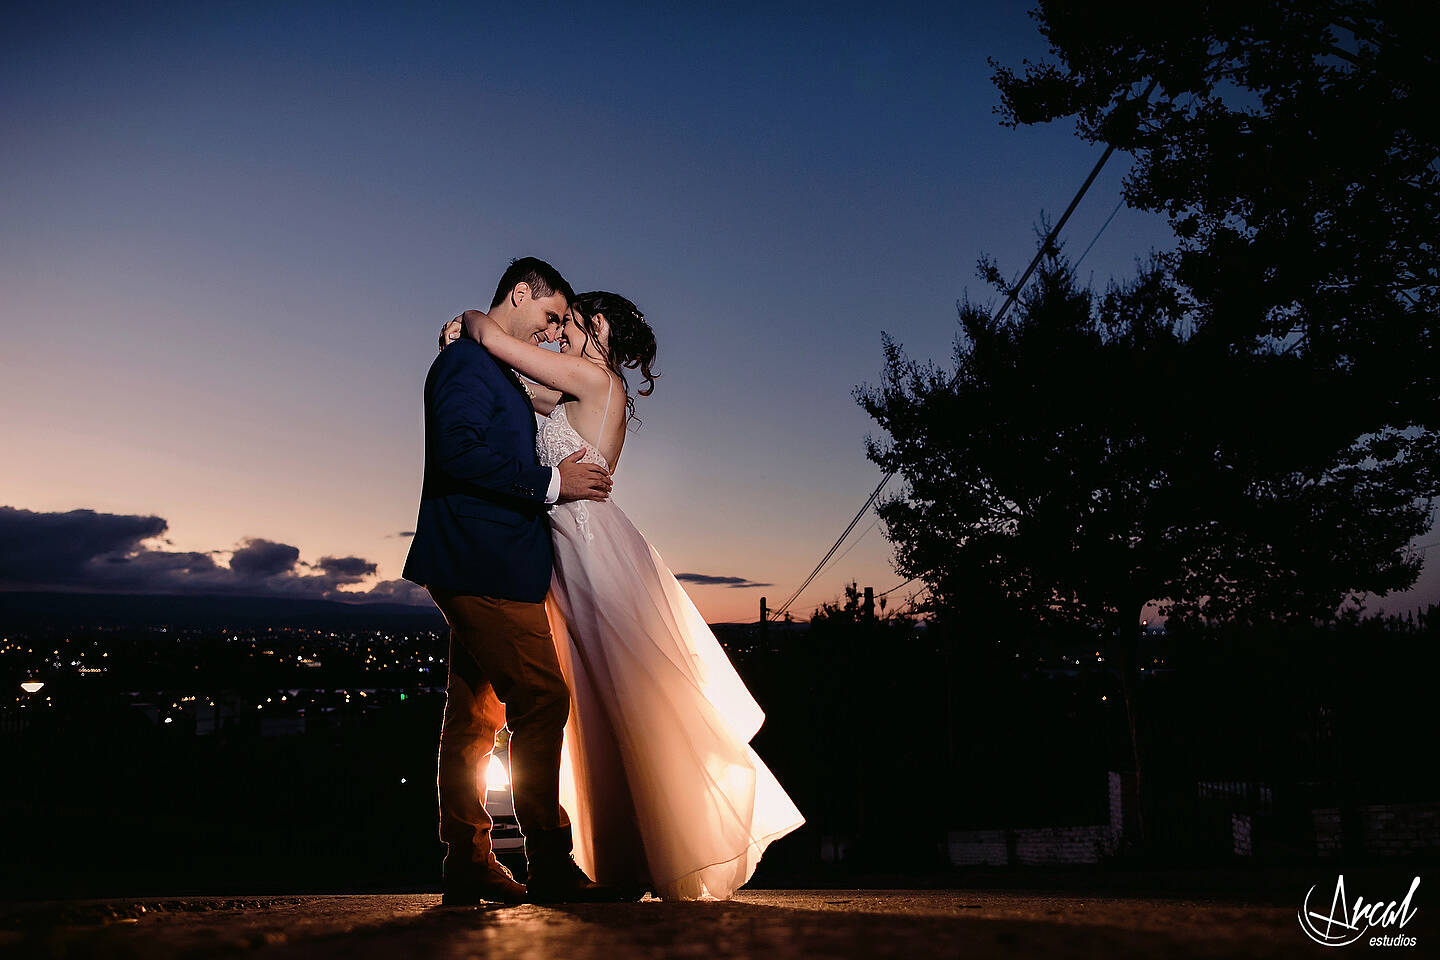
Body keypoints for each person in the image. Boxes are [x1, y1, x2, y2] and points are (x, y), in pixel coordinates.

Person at [440, 291, 804, 900]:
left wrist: (472, 323)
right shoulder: (574, 384)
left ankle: (622, 855)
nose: (559, 331)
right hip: (566, 549)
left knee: (612, 697)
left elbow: (497, 344)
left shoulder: (593, 377)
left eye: (570, 320)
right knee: (599, 703)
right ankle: (620, 855)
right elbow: (516, 396)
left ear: (599, 326)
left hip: (587, 549)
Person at [402, 257, 632, 906]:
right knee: (542, 701)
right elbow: (459, 454)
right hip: (483, 564)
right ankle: (550, 866)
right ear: (520, 294)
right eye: (551, 314)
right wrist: (554, 483)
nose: (555, 328)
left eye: (566, 322)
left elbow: (533, 409)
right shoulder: (466, 367)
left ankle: (467, 864)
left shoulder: (491, 365)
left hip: (492, 562)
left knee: (473, 718)